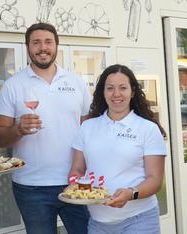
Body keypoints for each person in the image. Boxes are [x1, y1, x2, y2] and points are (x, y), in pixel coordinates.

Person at [0, 22, 91, 234]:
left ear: (57, 45)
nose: (42, 48)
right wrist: (18, 129)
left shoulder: (76, 82)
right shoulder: (13, 85)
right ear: (27, 47)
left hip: (75, 182)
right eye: (36, 43)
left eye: (48, 42)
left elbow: (88, 129)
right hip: (31, 187)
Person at [69, 64, 166, 234]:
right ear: (102, 92)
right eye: (110, 88)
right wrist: (74, 188)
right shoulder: (87, 127)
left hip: (139, 220)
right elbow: (77, 169)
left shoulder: (147, 129)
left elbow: (155, 180)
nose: (116, 94)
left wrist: (131, 193)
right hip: (98, 224)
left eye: (123, 88)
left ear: (133, 91)